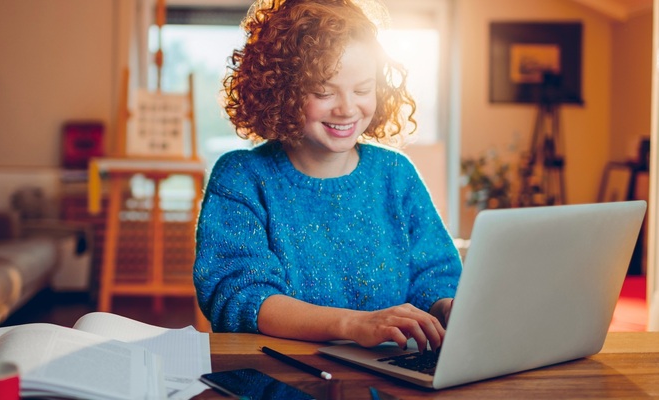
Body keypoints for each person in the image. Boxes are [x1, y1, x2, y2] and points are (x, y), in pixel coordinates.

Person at [193, 0, 462, 353]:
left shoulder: (396, 175)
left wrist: (447, 308)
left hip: (390, 377)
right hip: (280, 379)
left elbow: (435, 276)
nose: (348, 108)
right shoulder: (242, 178)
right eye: (323, 91)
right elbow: (240, 299)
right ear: (281, 91)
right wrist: (353, 324)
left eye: (363, 89)